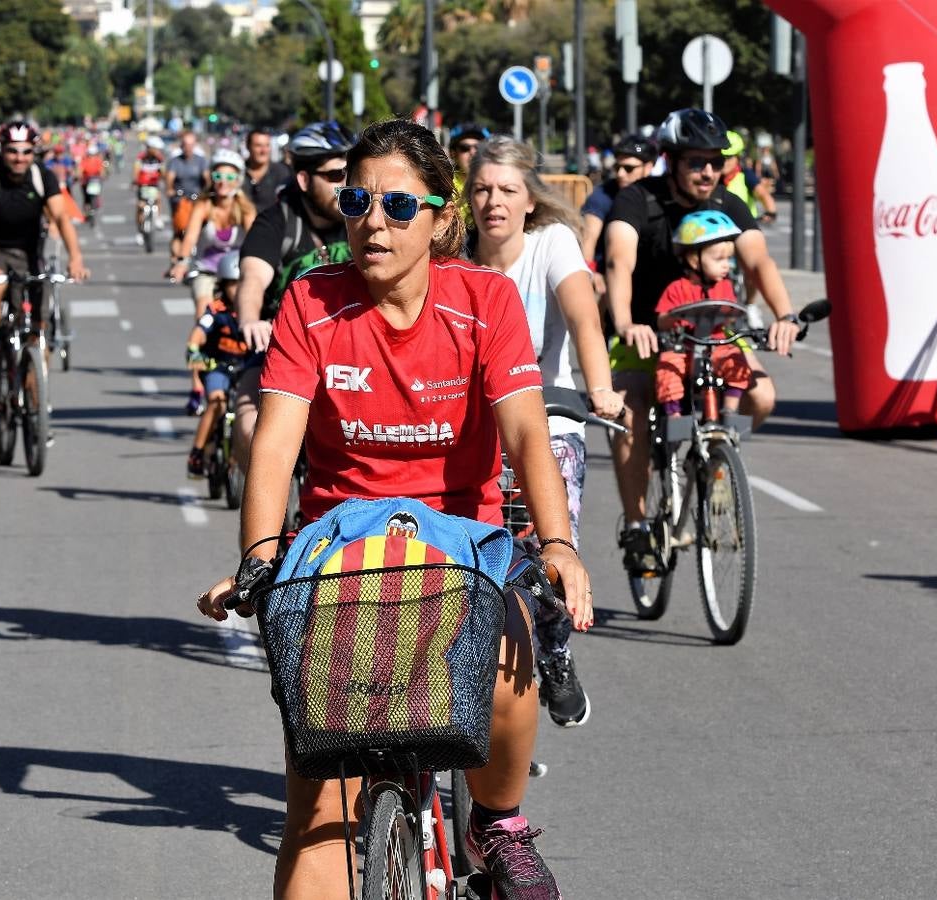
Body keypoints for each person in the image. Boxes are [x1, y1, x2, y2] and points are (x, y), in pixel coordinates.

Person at [197, 117, 589, 900]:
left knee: (512, 657)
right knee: (316, 813)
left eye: (399, 206)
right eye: (357, 201)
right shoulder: (311, 300)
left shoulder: (485, 300)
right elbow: (275, 446)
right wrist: (257, 558)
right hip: (338, 557)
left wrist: (559, 543)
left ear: (444, 218)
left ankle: (497, 821)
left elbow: (524, 431)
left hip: (460, 549)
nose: (373, 222)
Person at [467, 135, 623, 729]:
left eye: (508, 190)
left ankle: (555, 654)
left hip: (549, 418)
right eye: (481, 190)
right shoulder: (454, 255)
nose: (494, 202)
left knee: (548, 556)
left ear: (530, 199)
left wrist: (600, 386)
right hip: (473, 427)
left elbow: (584, 317)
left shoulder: (552, 242)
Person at [603, 108, 800, 571]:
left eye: (715, 161)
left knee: (763, 396)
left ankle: (712, 459)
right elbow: (618, 261)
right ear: (670, 161)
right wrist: (627, 321)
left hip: (716, 332)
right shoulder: (638, 200)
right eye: (696, 162)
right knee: (630, 405)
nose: (708, 171)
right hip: (649, 332)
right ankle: (638, 527)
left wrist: (785, 315)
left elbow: (759, 262)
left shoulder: (728, 202)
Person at [232, 120, 353, 477]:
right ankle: (265, 523)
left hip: (350, 353)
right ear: (303, 180)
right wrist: (251, 320)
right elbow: (253, 278)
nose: (345, 184)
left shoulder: (360, 217)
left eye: (350, 172)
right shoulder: (277, 222)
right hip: (278, 348)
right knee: (250, 423)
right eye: (334, 176)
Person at [0, 120, 88, 377]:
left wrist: (76, 258)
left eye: (26, 152)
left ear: (34, 152)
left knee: (36, 322)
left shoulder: (43, 176)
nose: (19, 158)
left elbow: (62, 218)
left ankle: (34, 398)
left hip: (29, 251)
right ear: (2, 150)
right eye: (12, 151)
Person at [168, 149, 257, 413]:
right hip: (207, 271)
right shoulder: (204, 205)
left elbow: (256, 241)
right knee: (204, 318)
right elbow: (190, 236)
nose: (222, 182)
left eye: (229, 176)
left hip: (236, 273)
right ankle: (197, 386)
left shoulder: (244, 208)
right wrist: (182, 261)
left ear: (238, 179)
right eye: (217, 175)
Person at [654, 211, 753, 420]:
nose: (727, 265)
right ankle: (674, 416)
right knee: (667, 368)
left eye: (729, 258)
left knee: (737, 362)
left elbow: (731, 314)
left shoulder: (725, 286)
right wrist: (673, 318)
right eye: (719, 259)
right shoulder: (677, 288)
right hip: (684, 347)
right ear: (693, 260)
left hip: (715, 346)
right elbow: (662, 320)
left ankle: (729, 410)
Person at [185, 253, 247, 478]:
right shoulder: (216, 310)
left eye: (242, 283)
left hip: (245, 369)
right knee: (217, 402)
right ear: (223, 285)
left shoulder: (257, 310)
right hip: (217, 366)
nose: (237, 289)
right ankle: (197, 452)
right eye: (232, 284)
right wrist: (194, 348)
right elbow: (199, 332)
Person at [579, 134, 655, 293]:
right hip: (606, 274)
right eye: (617, 167)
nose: (620, 174)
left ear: (648, 168)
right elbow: (589, 236)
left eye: (628, 168)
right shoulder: (602, 194)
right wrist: (589, 271)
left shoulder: (658, 193)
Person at [166, 130, 209, 261]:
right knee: (179, 230)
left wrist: (208, 191)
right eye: (185, 144)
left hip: (197, 198)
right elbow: (170, 177)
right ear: (181, 146)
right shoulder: (175, 161)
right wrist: (170, 189)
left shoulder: (201, 160)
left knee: (201, 229)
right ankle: (176, 259)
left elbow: (207, 178)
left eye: (191, 144)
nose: (188, 148)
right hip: (180, 199)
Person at [721, 130, 777, 224]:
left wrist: (770, 213)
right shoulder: (713, 177)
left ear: (738, 157)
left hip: (745, 228)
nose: (724, 162)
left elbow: (763, 194)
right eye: (721, 158)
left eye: (729, 157)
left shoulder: (746, 175)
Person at [447, 122, 490, 227]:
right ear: (453, 153)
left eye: (479, 147)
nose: (472, 152)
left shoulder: (497, 183)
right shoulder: (444, 185)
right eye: (465, 148)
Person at [241, 128, 292, 213]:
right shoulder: (239, 172)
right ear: (248, 146)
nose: (264, 151)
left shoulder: (282, 173)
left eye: (267, 145)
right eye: (258, 145)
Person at [132, 135, 166, 244]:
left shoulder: (160, 158)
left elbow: (164, 172)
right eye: (155, 149)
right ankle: (139, 231)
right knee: (140, 207)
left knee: (158, 198)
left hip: (154, 185)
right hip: (143, 186)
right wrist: (135, 181)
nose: (157, 151)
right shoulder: (141, 158)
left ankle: (158, 218)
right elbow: (136, 171)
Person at [78, 144, 106, 224]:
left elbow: (80, 171)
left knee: (87, 199)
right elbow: (102, 173)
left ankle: (88, 212)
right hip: (92, 182)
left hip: (89, 182)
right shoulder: (97, 160)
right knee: (91, 198)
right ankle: (90, 210)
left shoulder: (86, 160)